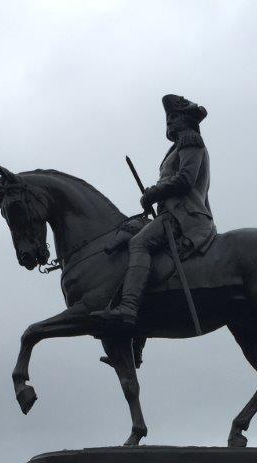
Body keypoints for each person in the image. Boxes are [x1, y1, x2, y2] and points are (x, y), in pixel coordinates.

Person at [93, 94, 216, 327]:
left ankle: (128, 307)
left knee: (139, 243)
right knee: (130, 230)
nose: (170, 121)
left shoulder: (190, 140)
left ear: (188, 120)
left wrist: (154, 192)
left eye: (175, 117)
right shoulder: (176, 147)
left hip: (187, 216)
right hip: (173, 214)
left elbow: (185, 179)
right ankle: (137, 338)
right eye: (168, 117)